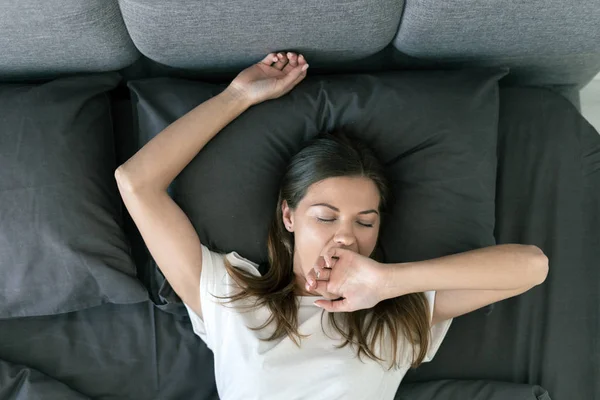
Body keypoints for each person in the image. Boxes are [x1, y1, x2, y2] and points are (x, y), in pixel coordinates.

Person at [115, 51, 549, 400]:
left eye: (366, 221)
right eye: (325, 216)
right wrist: (238, 96)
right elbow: (136, 183)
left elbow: (532, 266)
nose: (346, 236)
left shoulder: (397, 312)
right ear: (289, 216)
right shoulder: (230, 295)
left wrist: (387, 282)